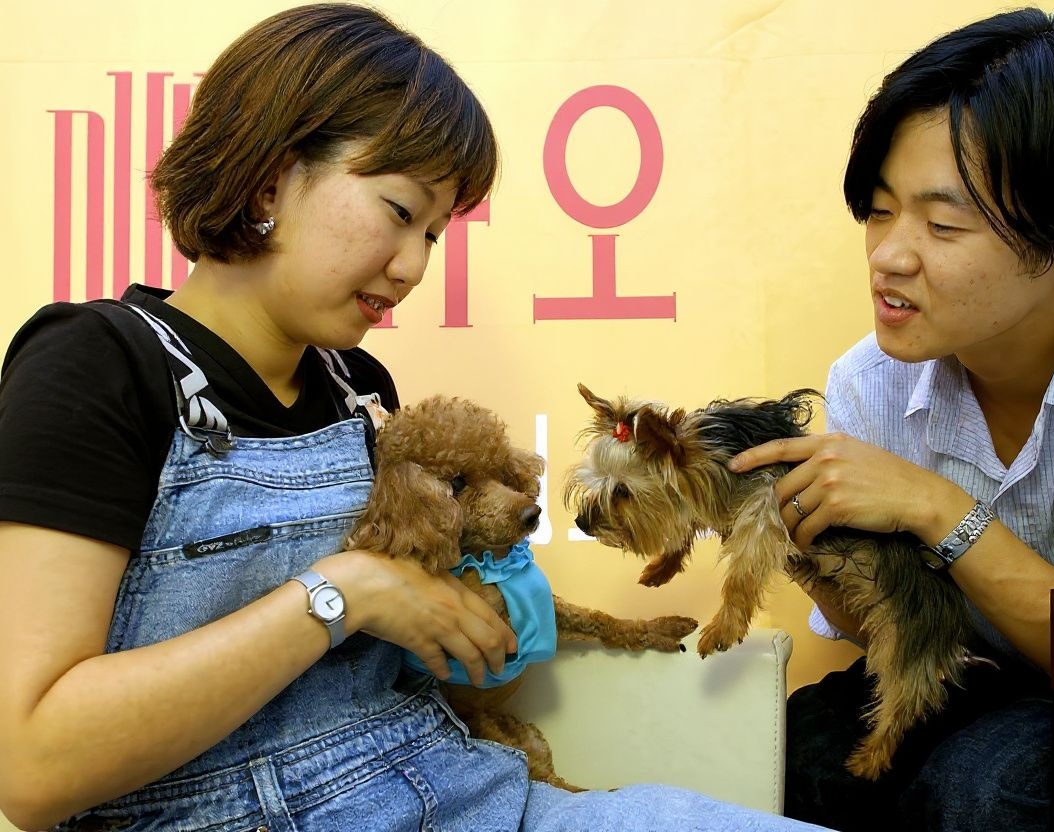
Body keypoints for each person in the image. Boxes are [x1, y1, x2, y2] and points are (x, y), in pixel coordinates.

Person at [0, 5, 830, 831]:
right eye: (401, 212)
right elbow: (30, 766)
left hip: (473, 795)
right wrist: (343, 594)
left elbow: (433, 659)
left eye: (436, 234)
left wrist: (479, 625)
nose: (413, 266)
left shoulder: (361, 390)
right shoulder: (97, 363)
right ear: (268, 178)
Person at [729, 7, 1054, 832]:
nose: (890, 256)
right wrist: (812, 554)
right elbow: (885, 636)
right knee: (795, 753)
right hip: (979, 674)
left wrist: (940, 511)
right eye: (879, 208)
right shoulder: (869, 383)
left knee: (988, 791)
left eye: (943, 225)